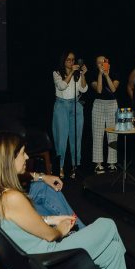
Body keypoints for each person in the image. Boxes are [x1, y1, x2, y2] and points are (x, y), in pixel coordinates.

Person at [0, 131, 135, 269]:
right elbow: (51, 236)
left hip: (25, 261)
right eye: (23, 153)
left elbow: (18, 221)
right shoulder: (12, 197)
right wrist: (60, 230)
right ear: (9, 160)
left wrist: (52, 219)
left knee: (112, 251)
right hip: (45, 260)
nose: (27, 157)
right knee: (107, 224)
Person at [51, 51, 87, 179]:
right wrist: (71, 72)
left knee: (76, 137)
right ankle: (60, 167)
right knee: (61, 138)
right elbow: (61, 86)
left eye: (73, 60)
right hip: (62, 106)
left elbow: (84, 89)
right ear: (63, 61)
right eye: (68, 60)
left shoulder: (77, 73)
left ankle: (75, 167)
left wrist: (82, 75)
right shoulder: (57, 73)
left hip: (76, 104)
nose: (72, 62)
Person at [90, 55, 119, 175]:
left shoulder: (115, 74)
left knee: (112, 134)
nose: (102, 65)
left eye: (104, 62)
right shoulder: (93, 75)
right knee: (97, 134)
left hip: (112, 104)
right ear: (96, 65)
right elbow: (99, 90)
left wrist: (107, 75)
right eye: (99, 63)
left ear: (108, 63)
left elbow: (113, 89)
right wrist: (100, 75)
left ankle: (112, 163)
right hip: (98, 105)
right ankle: (98, 164)